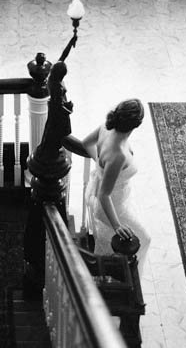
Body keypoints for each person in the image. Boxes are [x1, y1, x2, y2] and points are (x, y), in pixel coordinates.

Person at [63, 98, 151, 276]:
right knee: (144, 239)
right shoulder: (118, 154)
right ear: (136, 126)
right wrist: (118, 226)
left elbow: (86, 143)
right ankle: (128, 279)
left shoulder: (106, 127)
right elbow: (104, 195)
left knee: (108, 240)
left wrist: (100, 163)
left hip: (114, 195)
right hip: (113, 205)